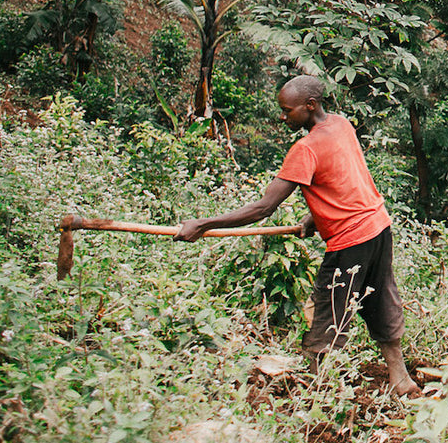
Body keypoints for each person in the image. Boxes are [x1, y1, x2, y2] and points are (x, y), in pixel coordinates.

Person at [176, 75, 420, 395]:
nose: (282, 116)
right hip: (378, 227)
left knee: (330, 308)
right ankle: (400, 379)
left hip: (351, 240)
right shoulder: (341, 125)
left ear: (310, 106)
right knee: (379, 299)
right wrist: (316, 216)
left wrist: (203, 224)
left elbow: (263, 208)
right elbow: (344, 177)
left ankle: (320, 395)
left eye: (287, 110)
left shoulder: (304, 149)